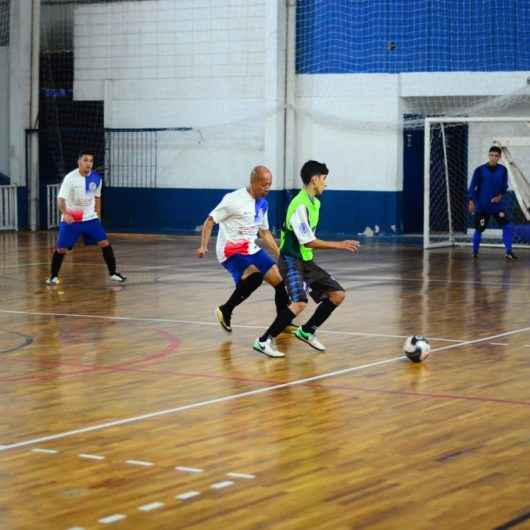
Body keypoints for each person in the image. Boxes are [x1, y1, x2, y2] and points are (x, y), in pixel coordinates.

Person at [253, 160, 360, 358]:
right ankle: (263, 341)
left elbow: (308, 244)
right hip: (291, 260)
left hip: (306, 261)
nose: (326, 183)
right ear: (314, 179)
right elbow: (308, 241)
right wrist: (339, 245)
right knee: (299, 302)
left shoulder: (315, 203)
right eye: (324, 179)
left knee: (337, 294)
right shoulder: (299, 205)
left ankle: (307, 330)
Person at [196, 166, 292, 354]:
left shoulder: (263, 203)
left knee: (280, 281)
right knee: (255, 277)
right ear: (254, 182)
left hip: (250, 248)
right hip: (231, 250)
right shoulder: (233, 200)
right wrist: (203, 245)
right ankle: (225, 310)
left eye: (270, 185)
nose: (268, 188)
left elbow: (264, 232)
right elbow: (210, 221)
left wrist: (279, 252)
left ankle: (284, 321)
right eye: (265, 185)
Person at [46, 150, 127, 285]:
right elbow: (61, 199)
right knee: (61, 249)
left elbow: (97, 197)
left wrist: (98, 214)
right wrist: (65, 213)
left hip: (90, 219)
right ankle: (53, 276)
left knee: (105, 243)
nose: (88, 163)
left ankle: (113, 273)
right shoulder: (70, 178)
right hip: (73, 218)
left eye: (91, 161)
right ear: (79, 162)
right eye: (85, 160)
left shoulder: (96, 178)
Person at [468, 145, 518, 261]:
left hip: (497, 206)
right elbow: (472, 187)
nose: (493, 157)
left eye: (496, 156)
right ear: (488, 155)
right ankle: (475, 252)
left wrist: (500, 196)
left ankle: (508, 252)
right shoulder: (479, 170)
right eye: (491, 155)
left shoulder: (503, 170)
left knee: (507, 226)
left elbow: (504, 186)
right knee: (479, 229)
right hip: (483, 206)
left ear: (499, 157)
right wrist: (471, 201)